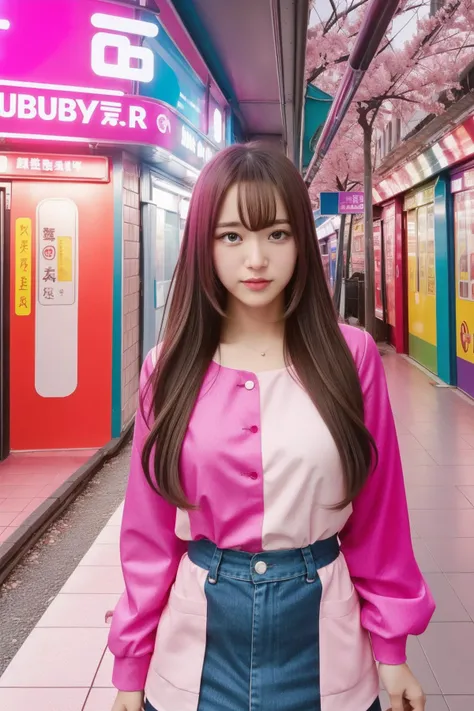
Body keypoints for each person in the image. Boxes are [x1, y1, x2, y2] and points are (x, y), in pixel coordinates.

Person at [108, 143, 435, 711]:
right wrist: (131, 667)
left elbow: (380, 517)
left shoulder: (349, 356)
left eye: (276, 235)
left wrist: (392, 647)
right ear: (203, 245)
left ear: (301, 243)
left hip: (325, 636)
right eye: (231, 236)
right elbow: (149, 530)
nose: (255, 259)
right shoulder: (168, 367)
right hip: (197, 641)